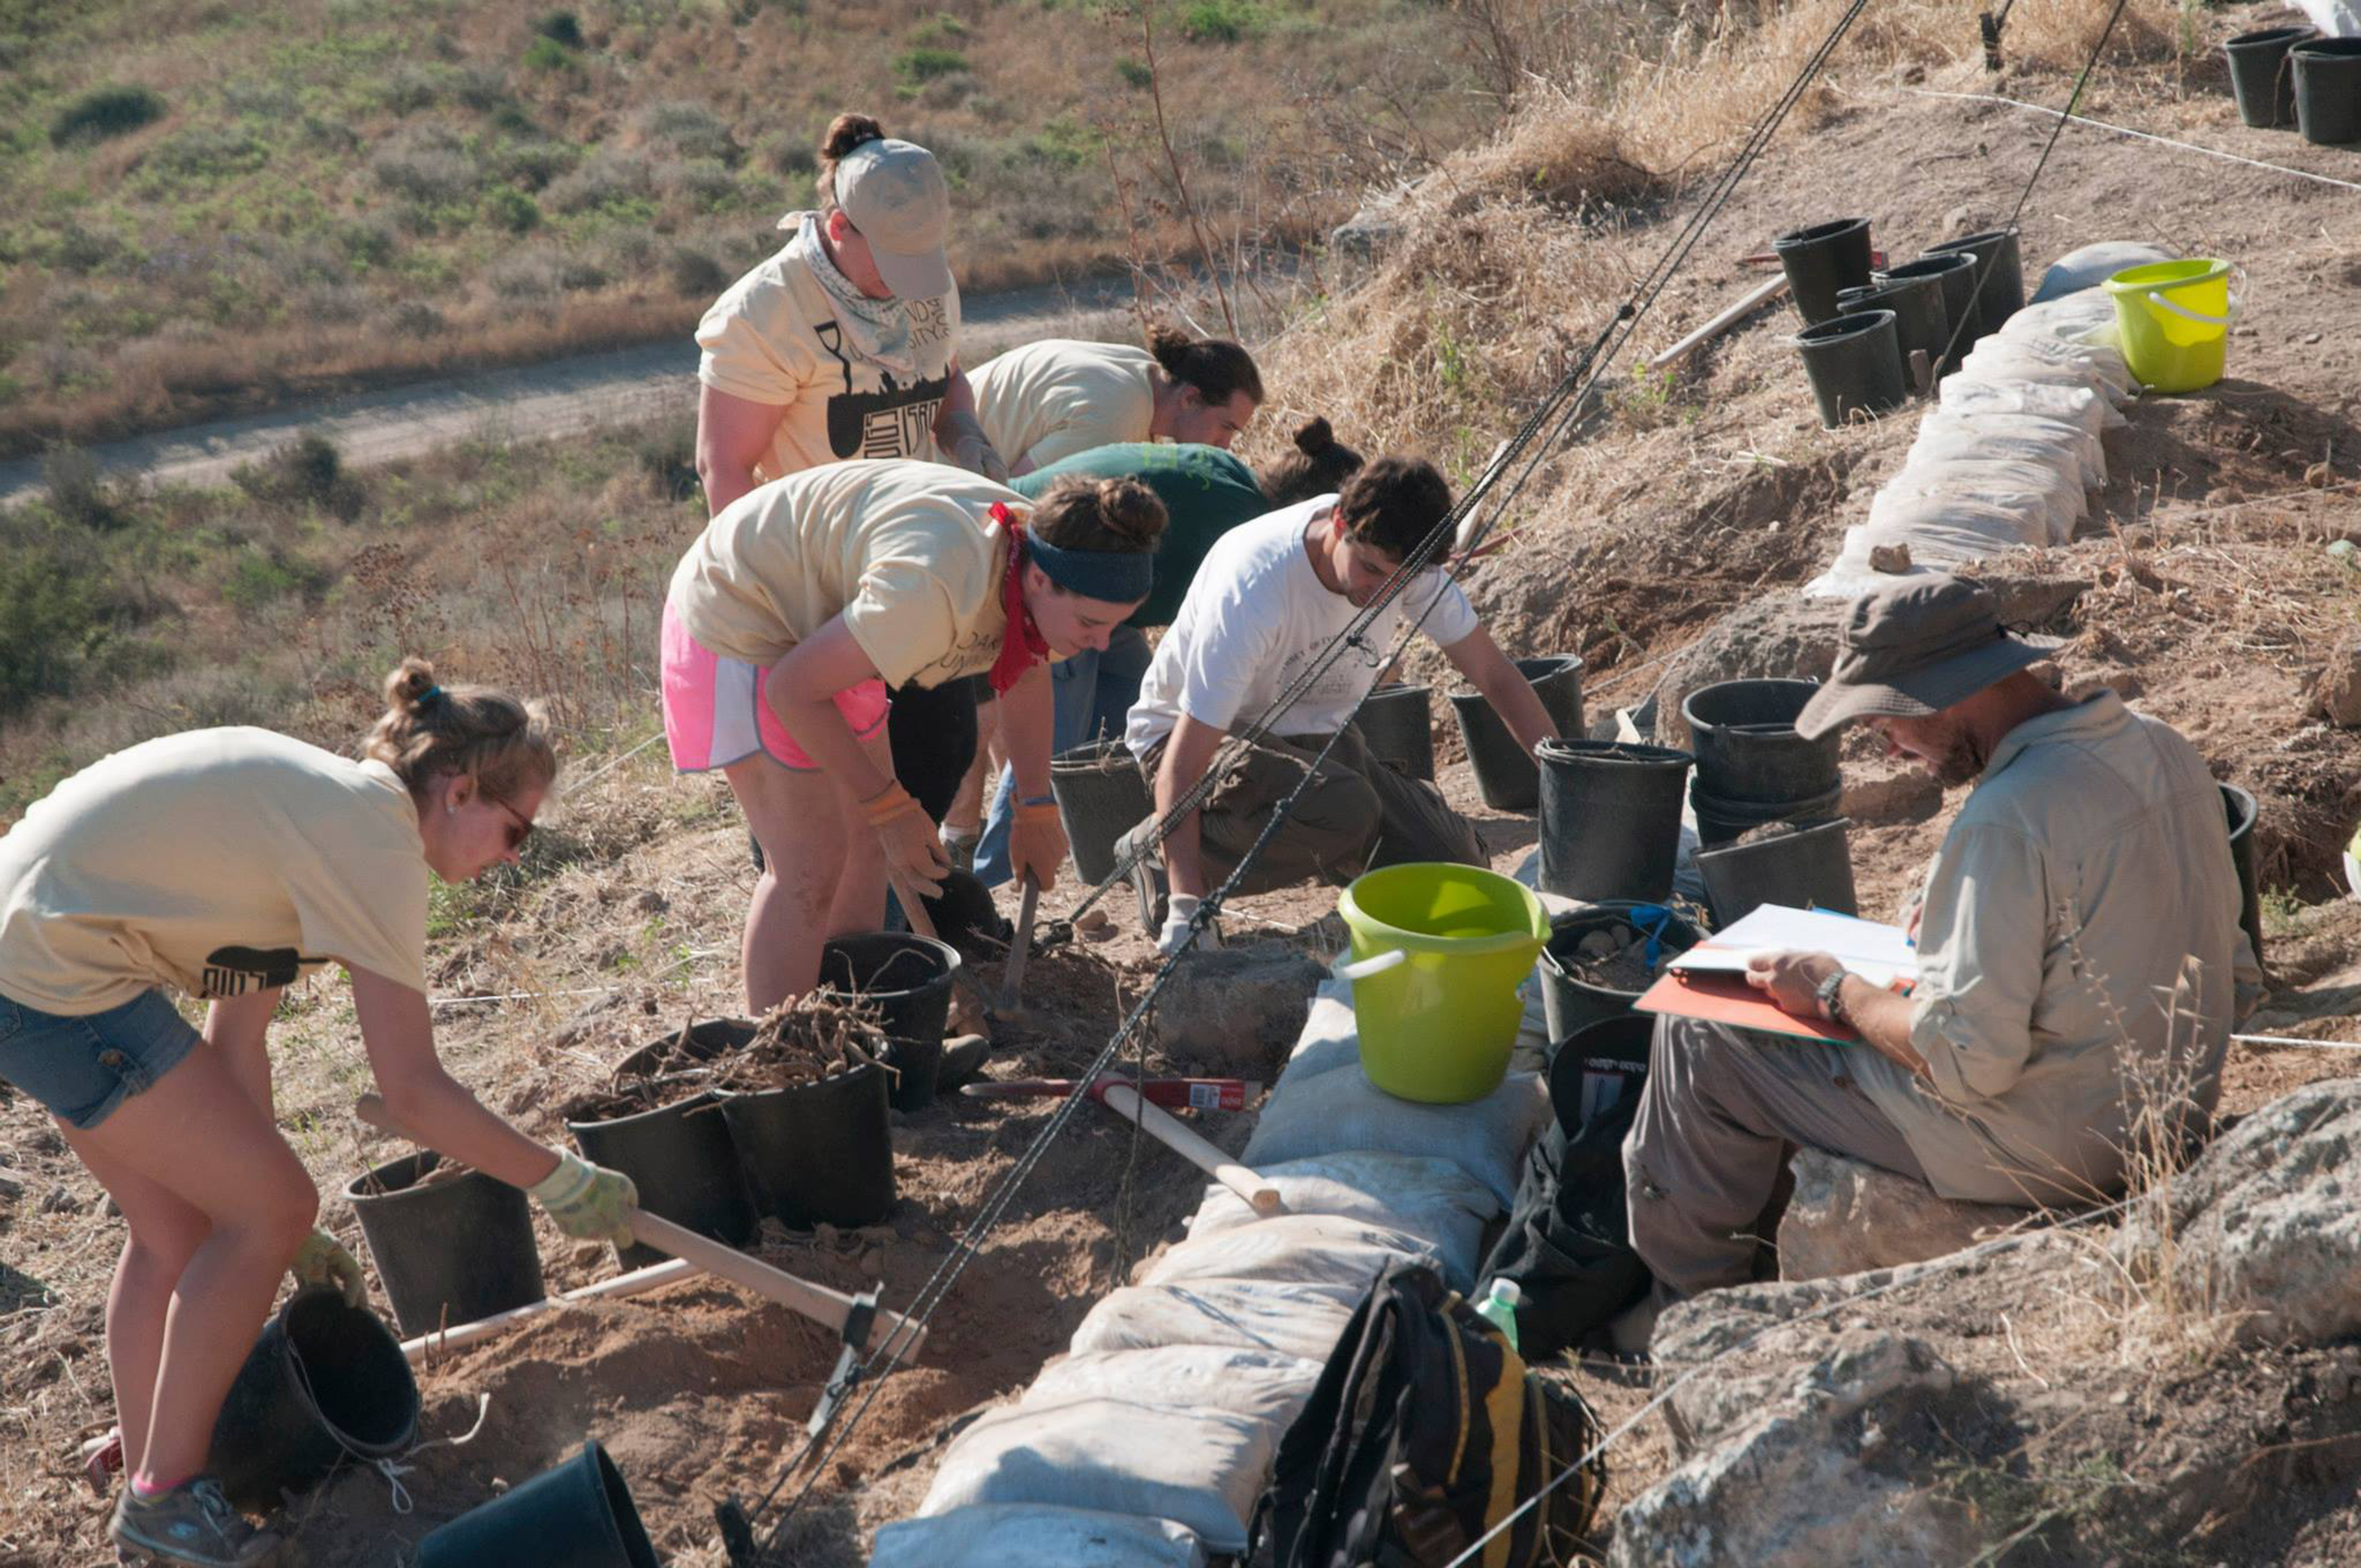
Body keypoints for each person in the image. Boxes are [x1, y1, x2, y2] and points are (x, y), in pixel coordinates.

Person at [0, 666, 638, 1567]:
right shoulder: (374, 840)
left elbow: (236, 1046)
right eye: (516, 829)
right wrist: (556, 1176)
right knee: (271, 1204)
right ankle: (165, 1497)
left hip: (31, 959)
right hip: (58, 976)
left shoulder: (319, 816)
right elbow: (411, 1089)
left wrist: (271, 1228)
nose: (514, 855)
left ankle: (159, 1477)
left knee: (176, 1228)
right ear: (459, 789)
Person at [1621, 574, 2251, 1323]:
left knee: (1701, 1031)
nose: (1888, 748)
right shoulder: (2163, 747)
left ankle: (1691, 1315)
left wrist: (1835, 990)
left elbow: (1969, 1063)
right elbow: (2239, 977)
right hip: (2167, 1115)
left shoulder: (2007, 816)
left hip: (2051, 1148)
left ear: (1944, 694)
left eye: (1886, 722)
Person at [660, 459, 1166, 1009]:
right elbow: (793, 690)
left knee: (867, 847)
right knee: (807, 864)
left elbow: (1026, 664)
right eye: (1090, 623)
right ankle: (782, 1047)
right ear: (1040, 580)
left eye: (1113, 625)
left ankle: (851, 1017)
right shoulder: (933, 588)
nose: (1100, 643)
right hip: (741, 611)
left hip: (828, 626)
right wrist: (888, 805)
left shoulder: (1040, 553)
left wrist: (1035, 804)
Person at [692, 112, 1006, 851]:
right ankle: (836, 911)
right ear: (839, 228)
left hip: (914, 561)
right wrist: (772, 618)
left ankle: (906, 898)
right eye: (894, 260)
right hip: (815, 583)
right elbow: (725, 468)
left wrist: (967, 434)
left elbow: (946, 380)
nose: (909, 279)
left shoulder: (923, 281)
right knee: (824, 800)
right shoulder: (765, 313)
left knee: (941, 751)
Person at [1119, 455, 1560, 953]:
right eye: (1370, 569)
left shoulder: (1408, 562)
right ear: (1338, 523)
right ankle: (1156, 858)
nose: (1382, 591)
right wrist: (1187, 906)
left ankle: (1331, 837)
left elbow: (1495, 675)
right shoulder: (1255, 586)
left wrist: (1565, 784)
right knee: (1344, 810)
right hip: (1191, 737)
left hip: (1313, 740)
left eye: (1400, 581)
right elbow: (1184, 761)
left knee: (1455, 864)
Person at [963, 417, 1366, 888]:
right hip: (1064, 577)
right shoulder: (1260, 542)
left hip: (1106, 604)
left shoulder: (1235, 480)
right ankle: (1001, 880)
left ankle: (1120, 851)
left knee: (1134, 717)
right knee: (1053, 742)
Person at [966, 326, 1263, 478]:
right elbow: (1017, 495)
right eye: (1226, 427)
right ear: (1191, 398)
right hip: (945, 476)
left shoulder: (1141, 372)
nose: (1225, 446)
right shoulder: (1116, 417)